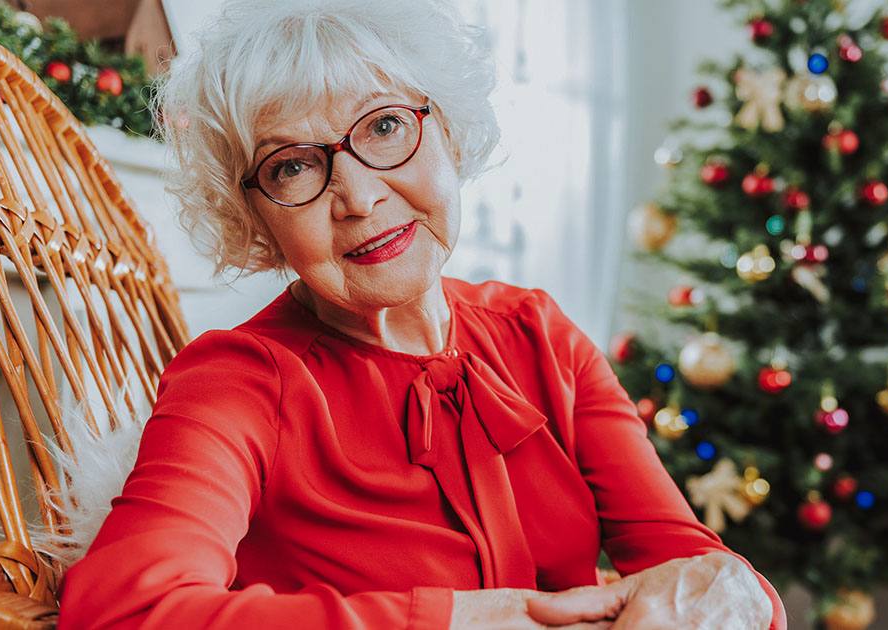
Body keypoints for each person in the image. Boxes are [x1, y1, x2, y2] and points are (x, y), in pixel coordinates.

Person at [56, 0, 786, 628]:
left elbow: (714, 580)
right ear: (256, 220)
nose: (359, 196)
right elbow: (124, 612)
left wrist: (703, 599)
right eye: (294, 166)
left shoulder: (541, 336)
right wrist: (458, 618)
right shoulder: (238, 380)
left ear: (449, 130)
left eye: (383, 127)